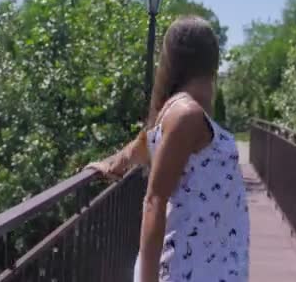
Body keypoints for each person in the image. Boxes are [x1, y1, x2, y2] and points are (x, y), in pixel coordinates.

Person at [86, 16, 250, 282]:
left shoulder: (179, 112)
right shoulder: (187, 114)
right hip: (192, 270)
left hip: (204, 266)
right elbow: (154, 200)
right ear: (211, 59)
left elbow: (146, 145)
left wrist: (115, 161)